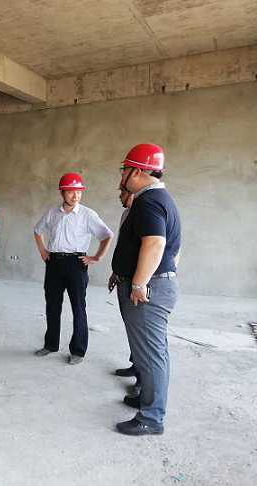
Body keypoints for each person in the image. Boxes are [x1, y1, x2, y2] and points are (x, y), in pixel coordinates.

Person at [112, 143, 181, 436]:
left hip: (148, 290)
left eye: (124, 170)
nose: (122, 176)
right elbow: (172, 250)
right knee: (150, 351)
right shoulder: (159, 199)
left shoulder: (149, 201)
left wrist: (139, 282)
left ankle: (152, 418)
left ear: (137, 171)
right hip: (154, 284)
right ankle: (147, 400)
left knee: (152, 355)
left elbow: (155, 243)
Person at [33, 173, 113, 365]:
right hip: (54, 263)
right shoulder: (52, 213)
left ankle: (78, 350)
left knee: (78, 307)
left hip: (76, 264)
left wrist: (97, 257)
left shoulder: (87, 214)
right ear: (62, 192)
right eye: (70, 191)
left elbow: (106, 235)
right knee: (52, 305)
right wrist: (43, 251)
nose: (75, 195)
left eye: (78, 192)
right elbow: (37, 231)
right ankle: (51, 344)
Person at [108, 188, 136, 379]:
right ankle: (136, 364)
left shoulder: (147, 214)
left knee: (141, 330)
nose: (120, 196)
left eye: (124, 193)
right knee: (131, 325)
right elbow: (122, 246)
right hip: (123, 278)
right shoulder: (126, 214)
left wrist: (139, 284)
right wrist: (115, 272)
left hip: (136, 282)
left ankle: (143, 378)